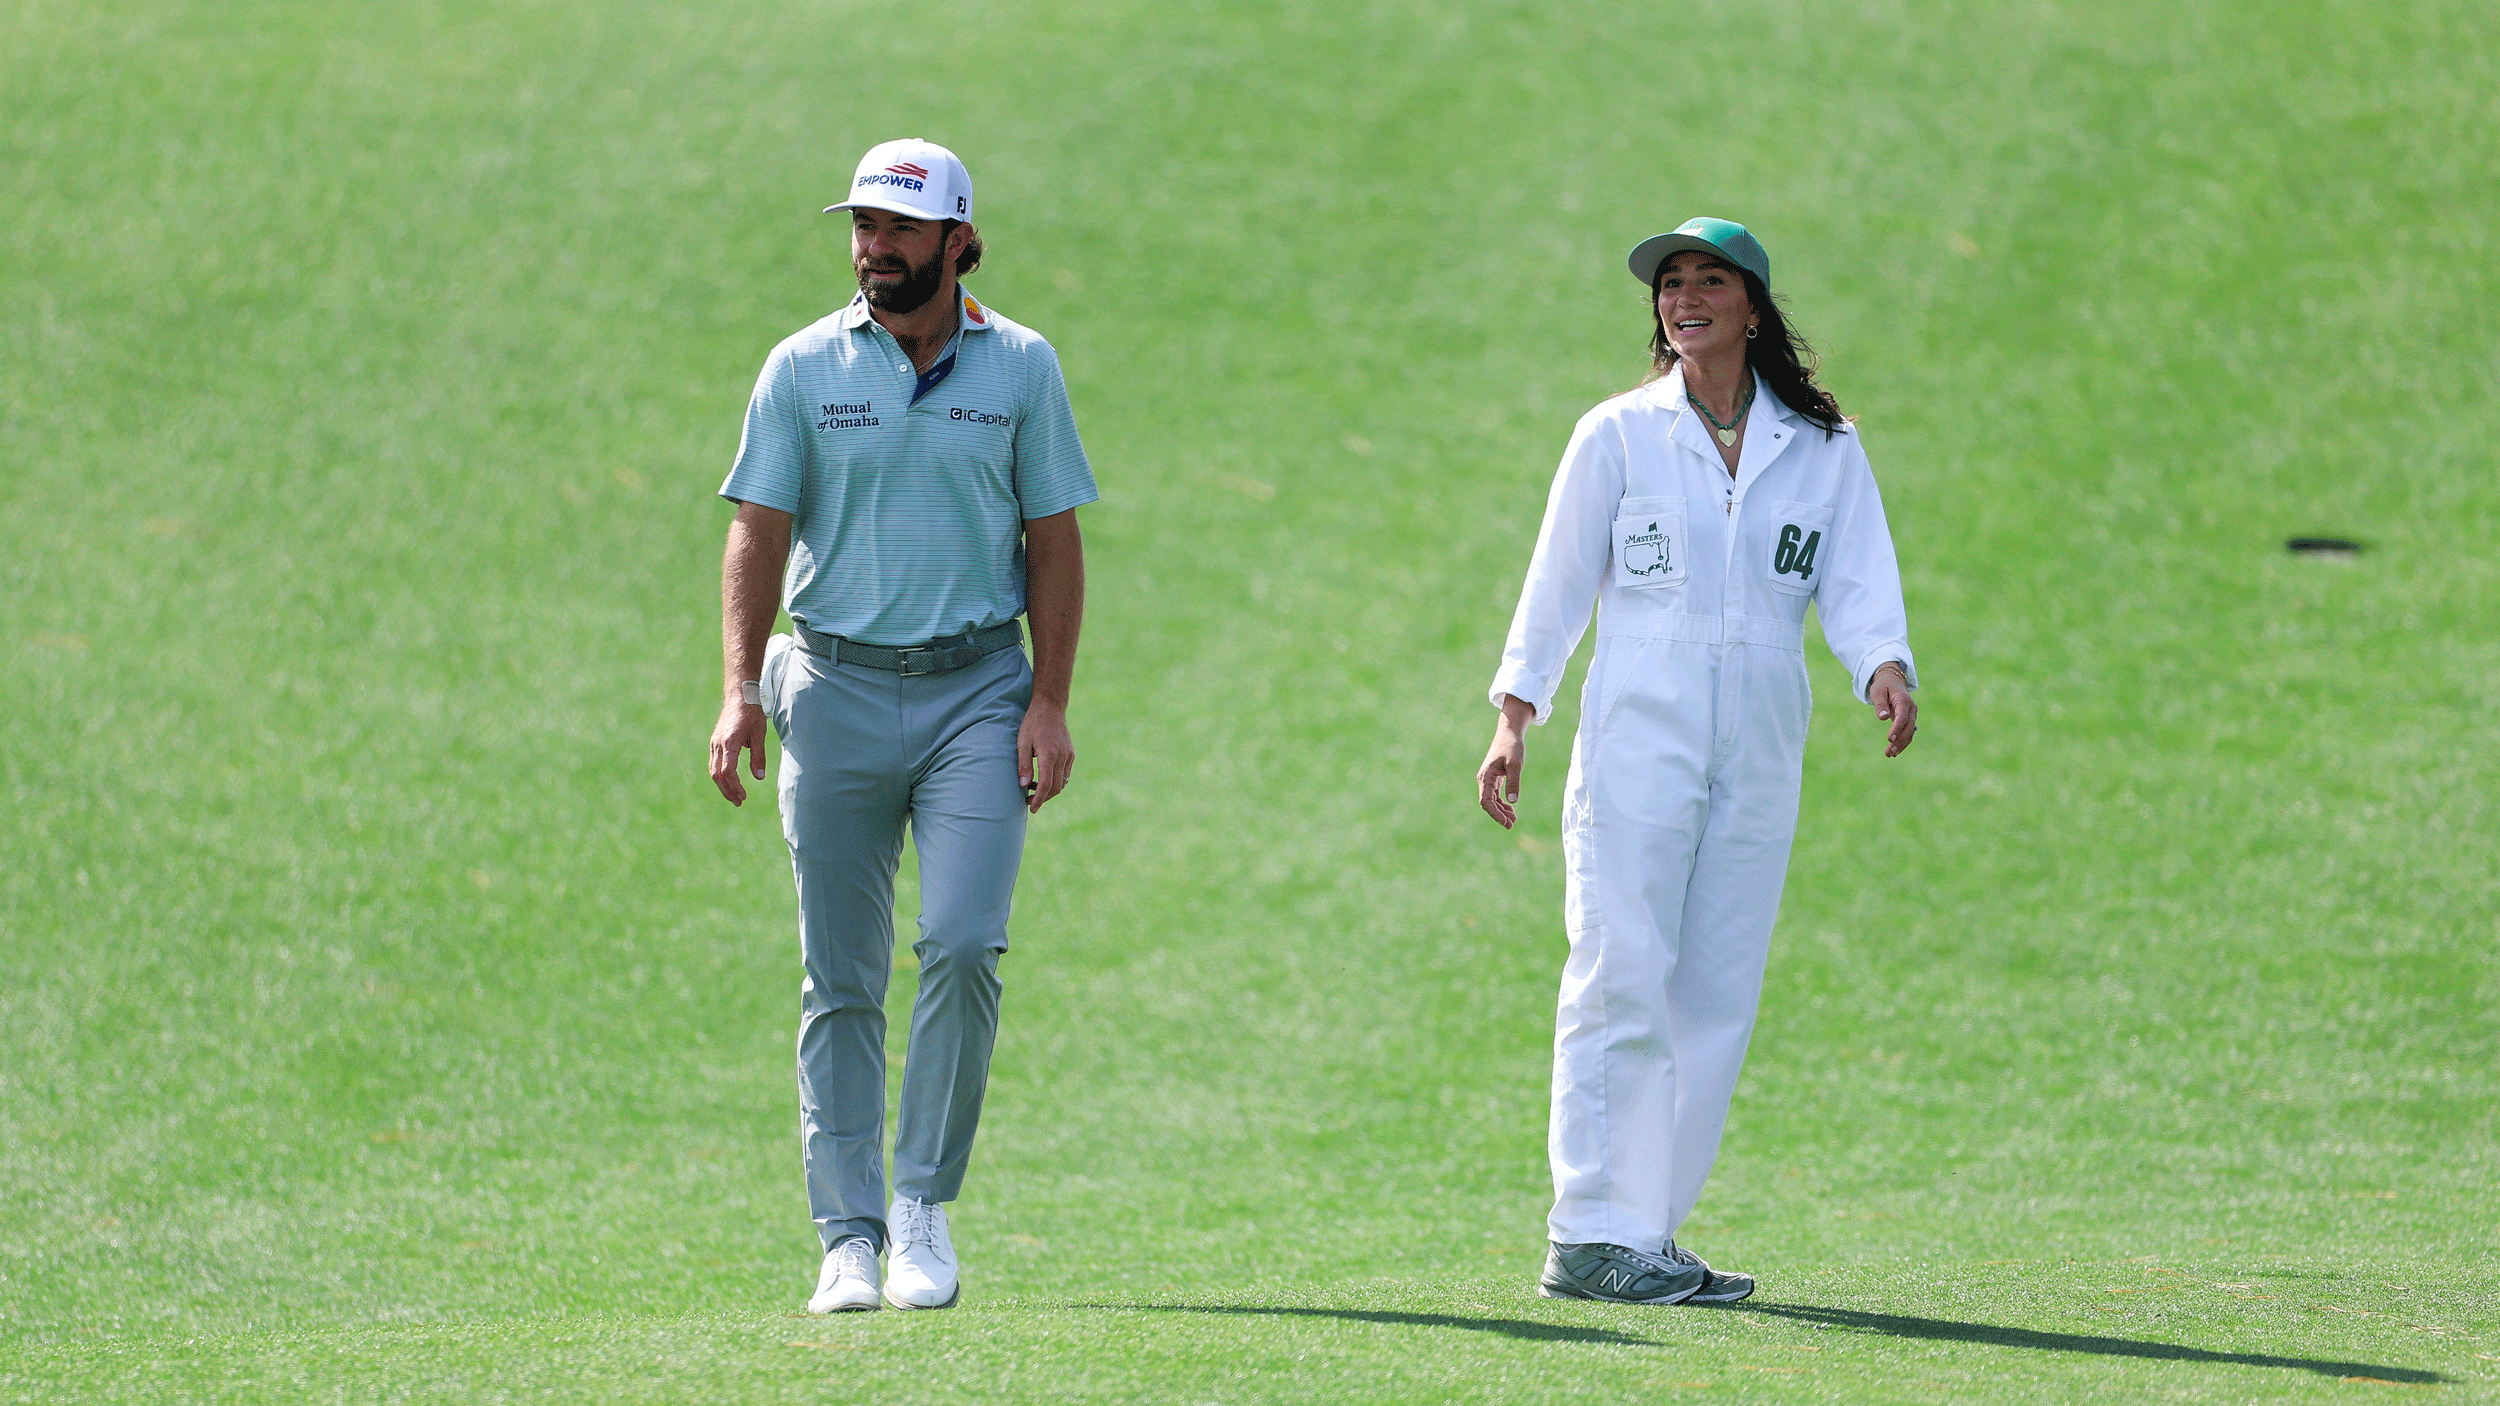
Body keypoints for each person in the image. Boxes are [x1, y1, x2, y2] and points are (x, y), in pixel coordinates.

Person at [1476, 217, 1917, 1305]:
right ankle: (1588, 1230)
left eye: (1708, 280)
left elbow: (1857, 573)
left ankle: (1646, 1230)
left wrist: (1882, 663)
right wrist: (1516, 713)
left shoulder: (1821, 446)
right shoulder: (1617, 434)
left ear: (1752, 306)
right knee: (1619, 969)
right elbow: (1556, 579)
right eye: (1670, 284)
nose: (1684, 299)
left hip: (1760, 734)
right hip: (1639, 730)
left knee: (1716, 989)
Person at [708, 138, 1097, 1314]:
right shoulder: (801, 365)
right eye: (863, 227)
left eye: (898, 229)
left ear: (957, 241)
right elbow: (757, 529)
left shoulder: (1021, 366)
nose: (873, 248)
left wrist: (1049, 699)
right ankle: (847, 1234)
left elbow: (1054, 541)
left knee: (966, 942)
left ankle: (922, 1200)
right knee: (839, 975)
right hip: (830, 686)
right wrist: (738, 687)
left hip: (977, 690)